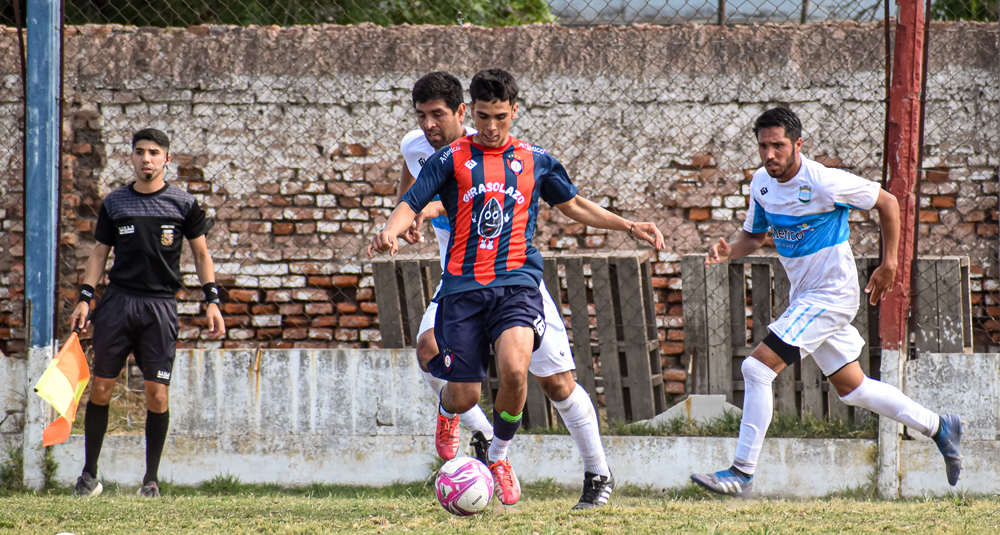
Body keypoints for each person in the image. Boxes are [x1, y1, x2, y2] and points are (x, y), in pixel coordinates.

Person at [369, 68, 664, 506]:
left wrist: (628, 224)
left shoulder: (523, 157)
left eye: (437, 116)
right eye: (421, 117)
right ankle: (477, 430)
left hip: (516, 282)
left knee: (553, 382)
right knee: (431, 351)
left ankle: (594, 473)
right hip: (462, 282)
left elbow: (572, 202)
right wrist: (400, 224)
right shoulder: (429, 152)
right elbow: (412, 191)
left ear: (461, 112)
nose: (428, 126)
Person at [690, 107, 962, 498]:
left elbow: (888, 203)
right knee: (854, 388)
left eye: (778, 146)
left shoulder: (823, 181)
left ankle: (741, 472)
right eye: (763, 146)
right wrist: (729, 250)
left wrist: (890, 264)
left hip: (832, 294)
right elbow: (756, 236)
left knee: (756, 369)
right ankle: (939, 426)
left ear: (797, 144)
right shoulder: (761, 185)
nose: (769, 155)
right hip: (805, 296)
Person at [69, 128, 226, 498]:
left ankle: (150, 480)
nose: (147, 159)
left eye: (154, 152)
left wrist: (213, 300)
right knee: (102, 387)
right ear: (132, 158)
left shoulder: (184, 204)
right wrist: (85, 298)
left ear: (166, 159)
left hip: (160, 306)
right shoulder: (115, 202)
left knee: (157, 394)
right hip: (119, 303)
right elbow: (99, 253)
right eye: (140, 152)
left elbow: (202, 255)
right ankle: (89, 476)